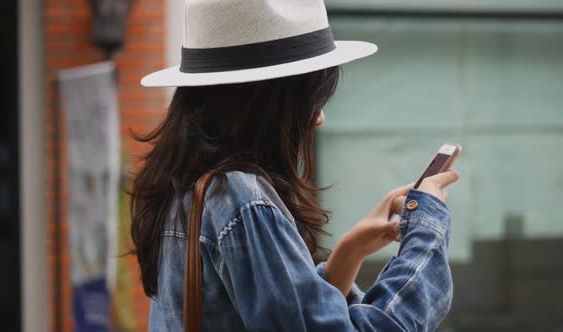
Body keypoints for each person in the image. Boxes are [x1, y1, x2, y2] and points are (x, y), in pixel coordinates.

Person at [130, 0, 459, 331]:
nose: (318, 118)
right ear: (267, 104)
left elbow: (281, 317)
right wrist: (426, 230)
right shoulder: (241, 200)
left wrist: (349, 252)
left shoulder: (183, 188)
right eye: (309, 100)